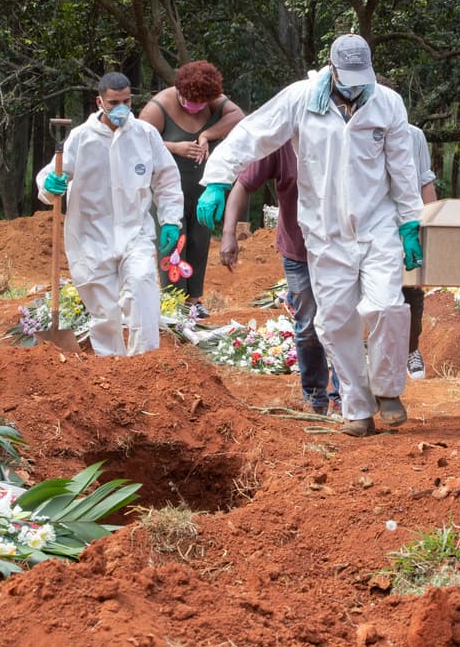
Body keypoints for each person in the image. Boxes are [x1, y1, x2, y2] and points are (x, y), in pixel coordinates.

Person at [196, 33, 423, 437]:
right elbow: (252, 133)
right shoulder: (301, 99)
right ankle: (357, 408)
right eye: (348, 75)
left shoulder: (388, 103)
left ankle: (388, 389)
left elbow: (403, 167)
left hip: (376, 225)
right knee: (335, 322)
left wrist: (409, 223)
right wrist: (216, 179)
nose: (355, 84)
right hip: (325, 232)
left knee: (387, 306)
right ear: (332, 68)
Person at [36, 72, 183, 356]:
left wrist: (170, 220)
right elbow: (54, 173)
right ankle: (110, 367)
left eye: (126, 101)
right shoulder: (81, 138)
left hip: (135, 232)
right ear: (100, 101)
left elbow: (166, 179)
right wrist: (49, 185)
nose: (121, 108)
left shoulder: (145, 135)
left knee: (142, 289)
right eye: (114, 102)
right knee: (104, 310)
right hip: (90, 234)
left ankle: (145, 363)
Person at [220, 144, 340, 415]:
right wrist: (228, 233)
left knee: (340, 322)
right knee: (308, 324)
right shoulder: (282, 144)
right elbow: (243, 184)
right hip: (298, 251)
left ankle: (345, 396)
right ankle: (314, 396)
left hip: (340, 250)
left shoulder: (341, 135)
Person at [138, 60, 244, 319]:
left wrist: (206, 135)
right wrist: (175, 147)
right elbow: (137, 143)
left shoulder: (211, 100)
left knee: (198, 241)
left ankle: (194, 300)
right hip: (168, 192)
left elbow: (238, 117)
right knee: (174, 243)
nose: (195, 106)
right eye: (189, 100)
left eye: (202, 103)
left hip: (201, 189)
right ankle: (173, 303)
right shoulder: (158, 107)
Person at [402, 123, 438, 380]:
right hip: (371, 227)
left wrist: (433, 226)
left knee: (411, 292)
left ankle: (411, 349)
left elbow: (425, 181)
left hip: (408, 226)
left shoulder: (414, 136)